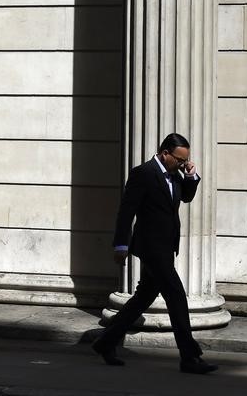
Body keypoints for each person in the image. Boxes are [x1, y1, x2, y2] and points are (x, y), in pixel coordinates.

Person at [91, 133, 218, 374]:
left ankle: (105, 342)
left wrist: (190, 175)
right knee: (177, 297)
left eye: (186, 160)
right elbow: (126, 211)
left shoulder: (177, 174)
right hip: (150, 247)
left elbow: (187, 197)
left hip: (166, 246)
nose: (183, 163)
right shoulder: (143, 173)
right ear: (165, 153)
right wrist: (121, 245)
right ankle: (189, 357)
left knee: (143, 297)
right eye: (180, 160)